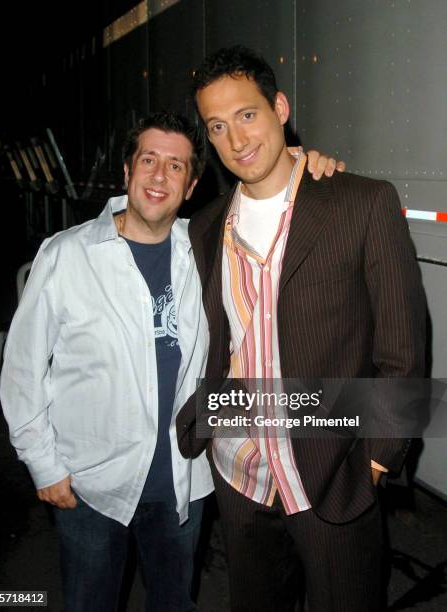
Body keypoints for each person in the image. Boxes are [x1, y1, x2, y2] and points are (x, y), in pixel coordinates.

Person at [0, 110, 341, 612]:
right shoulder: (67, 256)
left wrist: (305, 169)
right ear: (127, 171)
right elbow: (22, 369)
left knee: (173, 601)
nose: (159, 176)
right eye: (149, 160)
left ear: (191, 184)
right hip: (92, 483)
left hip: (184, 482)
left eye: (176, 166)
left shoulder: (206, 246)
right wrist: (44, 465)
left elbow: (274, 217)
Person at [177, 46, 426, 612]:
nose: (237, 140)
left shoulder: (361, 203)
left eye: (247, 115)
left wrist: (378, 457)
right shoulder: (207, 227)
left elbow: (404, 351)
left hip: (333, 473)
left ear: (280, 108)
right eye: (218, 126)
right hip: (238, 471)